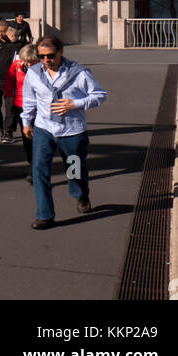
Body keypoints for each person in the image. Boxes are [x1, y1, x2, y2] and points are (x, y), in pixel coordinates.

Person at [21, 34, 108, 230]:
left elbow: (100, 95)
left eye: (50, 56)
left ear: (61, 52)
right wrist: (26, 122)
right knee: (39, 171)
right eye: (41, 56)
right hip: (44, 128)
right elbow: (29, 99)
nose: (46, 61)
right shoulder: (34, 73)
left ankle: (80, 194)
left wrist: (75, 104)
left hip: (72, 131)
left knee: (74, 170)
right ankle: (45, 215)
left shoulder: (79, 73)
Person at [3, 43, 38, 181]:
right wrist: (9, 100)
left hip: (40, 109)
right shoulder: (17, 65)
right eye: (26, 61)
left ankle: (35, 169)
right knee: (28, 139)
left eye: (31, 62)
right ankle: (32, 165)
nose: (28, 64)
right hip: (22, 106)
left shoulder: (45, 69)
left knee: (39, 140)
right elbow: (9, 82)